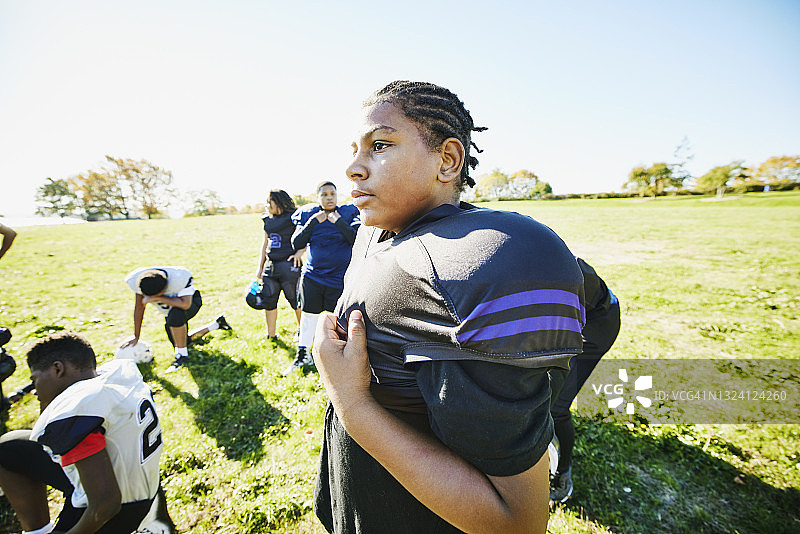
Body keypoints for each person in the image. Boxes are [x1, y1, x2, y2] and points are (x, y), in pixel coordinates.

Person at [312, 80, 585, 534]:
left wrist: (352, 403)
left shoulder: (473, 260)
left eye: (380, 145)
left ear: (448, 160)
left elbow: (515, 521)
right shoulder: (378, 232)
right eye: (353, 149)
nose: (353, 168)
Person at [0, 331, 174, 533]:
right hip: (140, 484)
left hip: (116, 510)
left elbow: (105, 506)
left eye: (35, 379)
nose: (35, 390)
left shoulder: (76, 410)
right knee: (9, 448)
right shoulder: (115, 378)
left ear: (57, 369)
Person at [548, 257, 620, 503]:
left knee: (556, 407)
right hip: (571, 316)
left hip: (597, 324)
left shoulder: (561, 274)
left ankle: (562, 473)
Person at [286, 182, 360, 375]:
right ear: (318, 197)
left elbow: (356, 239)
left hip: (340, 279)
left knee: (339, 319)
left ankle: (340, 359)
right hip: (313, 276)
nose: (329, 197)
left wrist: (339, 222)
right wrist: (312, 223)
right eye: (325, 194)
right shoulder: (308, 214)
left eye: (332, 193)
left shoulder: (347, 212)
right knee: (308, 316)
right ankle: (303, 355)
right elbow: (296, 243)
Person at [120, 266, 231, 371]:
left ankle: (182, 356)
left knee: (175, 315)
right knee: (182, 341)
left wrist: (158, 298)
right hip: (170, 312)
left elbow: (185, 304)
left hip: (192, 302)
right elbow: (139, 308)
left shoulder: (180, 277)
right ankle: (217, 324)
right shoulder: (138, 280)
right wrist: (136, 336)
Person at [253, 190, 304, 342]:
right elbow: (265, 243)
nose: (267, 205)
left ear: (279, 201)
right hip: (271, 265)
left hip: (289, 265)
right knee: (269, 300)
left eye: (270, 202)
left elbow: (307, 235)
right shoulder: (267, 220)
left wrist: (300, 253)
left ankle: (303, 332)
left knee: (295, 300)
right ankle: (271, 335)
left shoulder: (294, 217)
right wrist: (260, 267)